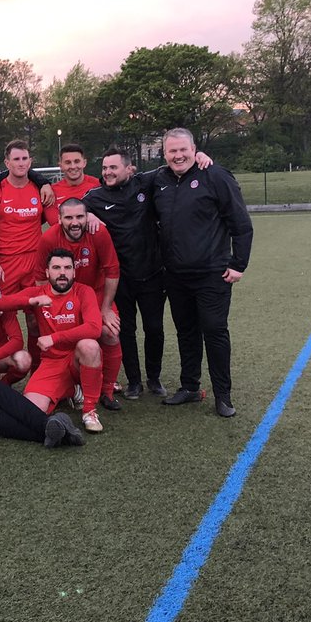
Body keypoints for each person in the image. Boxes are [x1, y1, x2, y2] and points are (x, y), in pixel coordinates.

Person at [149, 128, 253, 418]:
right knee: (186, 332)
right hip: (175, 275)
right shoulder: (159, 180)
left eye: (183, 150)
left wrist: (238, 264)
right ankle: (190, 386)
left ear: (195, 149)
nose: (178, 155)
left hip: (212, 274)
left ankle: (223, 395)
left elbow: (241, 223)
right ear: (164, 154)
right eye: (172, 151)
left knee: (215, 332)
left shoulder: (216, 176)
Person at [82, 148, 167, 399]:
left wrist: (201, 157)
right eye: (105, 167)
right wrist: (87, 214)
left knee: (154, 328)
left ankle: (154, 378)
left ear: (129, 169)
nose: (107, 172)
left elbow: (172, 166)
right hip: (121, 279)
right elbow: (71, 210)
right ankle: (134, 382)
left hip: (152, 273)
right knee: (125, 330)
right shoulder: (94, 196)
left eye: (113, 168)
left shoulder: (145, 183)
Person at [0, 249, 106, 433]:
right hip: (52, 363)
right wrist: (32, 300)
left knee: (89, 345)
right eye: (56, 268)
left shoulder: (84, 291)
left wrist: (54, 338)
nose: (62, 273)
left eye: (67, 268)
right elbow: (1, 304)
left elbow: (94, 328)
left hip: (77, 360)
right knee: (31, 410)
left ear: (74, 272)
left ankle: (89, 410)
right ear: (47, 272)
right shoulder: (39, 292)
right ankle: (72, 391)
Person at [35, 198, 123, 412]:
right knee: (53, 335)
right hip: (65, 297)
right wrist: (49, 308)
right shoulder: (49, 238)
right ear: (59, 219)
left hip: (97, 294)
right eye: (69, 217)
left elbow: (112, 271)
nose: (75, 222)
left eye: (79, 217)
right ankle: (64, 383)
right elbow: (41, 278)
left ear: (87, 217)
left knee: (109, 332)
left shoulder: (98, 233)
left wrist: (105, 309)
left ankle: (107, 389)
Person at [0, 140, 45, 293]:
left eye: (24, 158)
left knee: (37, 312)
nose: (21, 163)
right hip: (6, 263)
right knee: (3, 311)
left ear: (30, 162)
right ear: (7, 163)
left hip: (35, 260)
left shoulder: (41, 191)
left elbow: (56, 223)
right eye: (16, 159)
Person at [42, 144, 101, 226]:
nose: (73, 166)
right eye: (68, 162)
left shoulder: (98, 186)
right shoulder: (52, 192)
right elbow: (56, 224)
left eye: (77, 161)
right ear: (61, 166)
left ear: (84, 163)